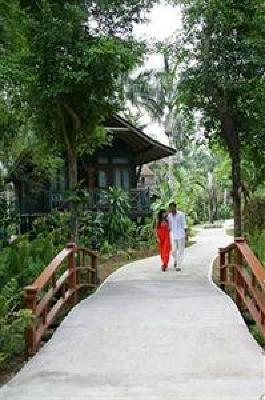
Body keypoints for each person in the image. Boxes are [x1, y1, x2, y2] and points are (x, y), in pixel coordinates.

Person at [167, 202, 188, 271]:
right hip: (173, 235)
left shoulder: (181, 214)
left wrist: (186, 234)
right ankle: (176, 260)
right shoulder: (169, 216)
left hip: (181, 234)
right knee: (173, 251)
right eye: (170, 208)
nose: (172, 209)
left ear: (175, 207)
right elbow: (169, 226)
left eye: (173, 207)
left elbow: (184, 224)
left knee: (180, 251)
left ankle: (178, 266)